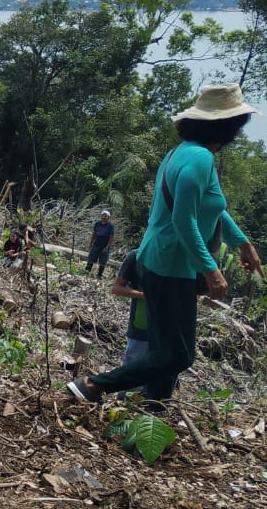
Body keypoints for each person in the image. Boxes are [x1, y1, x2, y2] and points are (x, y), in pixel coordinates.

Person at [67, 84, 264, 407]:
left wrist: (242, 243)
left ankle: (153, 409)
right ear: (229, 126)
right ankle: (93, 384)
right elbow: (184, 220)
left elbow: (210, 209)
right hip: (172, 264)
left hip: (157, 259)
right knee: (179, 355)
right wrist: (211, 270)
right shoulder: (200, 159)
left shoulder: (181, 152)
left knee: (164, 351)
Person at [110, 249, 149, 397]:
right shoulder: (137, 256)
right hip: (141, 324)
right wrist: (144, 295)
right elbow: (117, 288)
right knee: (133, 368)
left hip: (169, 328)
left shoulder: (180, 257)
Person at [85, 210, 115, 278]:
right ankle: (86, 272)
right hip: (96, 244)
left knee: (103, 261)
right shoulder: (97, 223)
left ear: (108, 217)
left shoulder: (110, 226)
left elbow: (111, 237)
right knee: (91, 258)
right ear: (101, 216)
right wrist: (91, 243)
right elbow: (94, 234)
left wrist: (107, 247)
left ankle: (99, 275)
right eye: (103, 216)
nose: (104, 217)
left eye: (106, 216)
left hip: (104, 246)